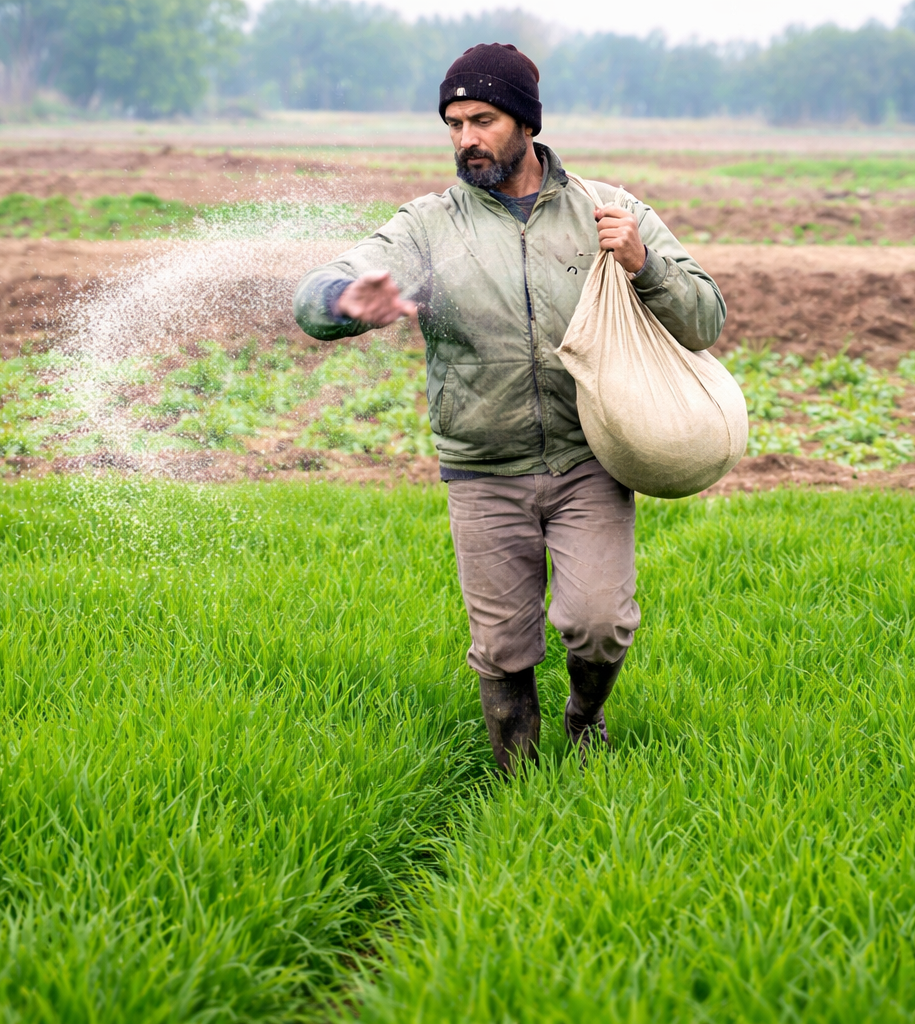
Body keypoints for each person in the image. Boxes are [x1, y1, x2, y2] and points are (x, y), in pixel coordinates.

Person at [293, 43, 726, 775]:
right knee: (502, 648)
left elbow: (706, 319)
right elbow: (319, 293)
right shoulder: (429, 226)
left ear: (525, 121)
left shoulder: (607, 211)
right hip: (483, 467)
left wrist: (643, 268)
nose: (465, 138)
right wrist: (345, 301)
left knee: (598, 626)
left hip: (591, 458)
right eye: (453, 123)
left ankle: (585, 716)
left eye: (482, 119)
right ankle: (516, 786)